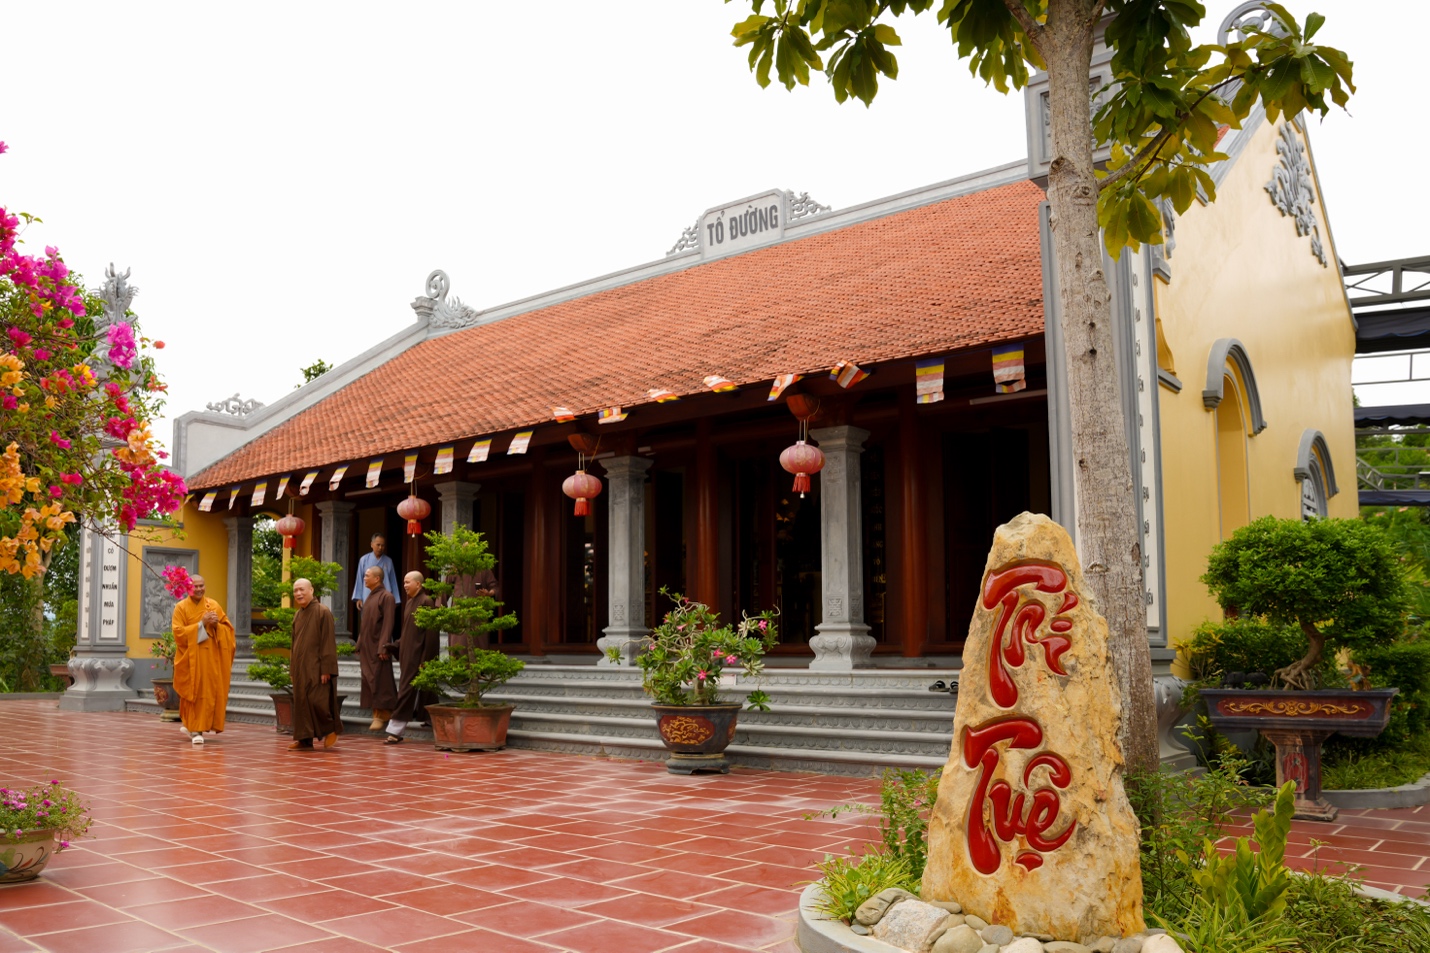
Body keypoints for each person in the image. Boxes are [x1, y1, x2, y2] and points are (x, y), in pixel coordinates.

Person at [170, 575, 236, 745]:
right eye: (195, 586)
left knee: (208, 694)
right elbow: (178, 634)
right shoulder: (181, 608)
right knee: (194, 692)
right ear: (187, 588)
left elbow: (228, 631)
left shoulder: (213, 605)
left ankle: (197, 727)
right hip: (191, 659)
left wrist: (215, 625)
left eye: (201, 586)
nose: (199, 589)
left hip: (211, 659)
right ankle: (195, 729)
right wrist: (201, 622)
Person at [384, 571, 440, 744]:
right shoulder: (409, 603)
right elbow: (409, 632)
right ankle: (433, 719)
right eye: (404, 582)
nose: (405, 585)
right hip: (408, 653)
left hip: (419, 656)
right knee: (427, 690)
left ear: (419, 584)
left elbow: (431, 636)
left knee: (406, 691)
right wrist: (395, 646)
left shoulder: (426, 602)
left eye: (408, 582)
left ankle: (396, 730)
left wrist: (426, 660)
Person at [289, 577, 339, 751]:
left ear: (311, 590)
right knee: (301, 703)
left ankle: (330, 730)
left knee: (319, 701)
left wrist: (327, 668)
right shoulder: (298, 614)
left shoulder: (322, 612)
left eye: (302, 589)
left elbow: (328, 642)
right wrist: (292, 668)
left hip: (317, 667)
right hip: (300, 667)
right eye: (295, 590)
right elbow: (293, 644)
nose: (298, 593)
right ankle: (304, 739)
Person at [357, 565, 398, 730]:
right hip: (367, 646)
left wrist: (384, 646)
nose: (364, 578)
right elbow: (365, 624)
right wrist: (359, 643)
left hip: (378, 646)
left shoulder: (387, 597)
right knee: (368, 679)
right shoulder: (370, 597)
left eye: (367, 576)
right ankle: (377, 712)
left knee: (380, 679)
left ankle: (383, 714)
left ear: (377, 579)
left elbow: (388, 623)